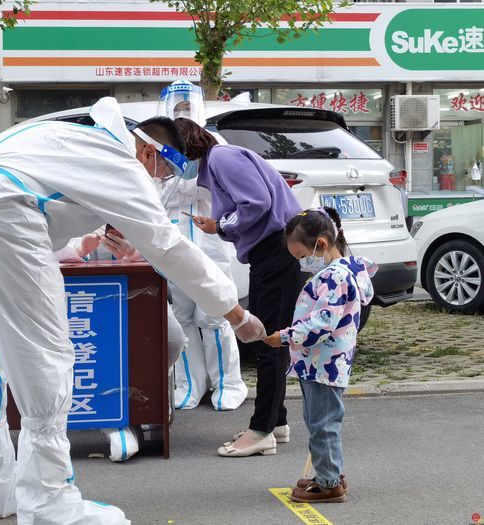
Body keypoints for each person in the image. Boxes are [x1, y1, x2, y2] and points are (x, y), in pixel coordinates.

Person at [0, 97, 266, 524]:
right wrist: (234, 312)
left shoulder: (76, 138)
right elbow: (164, 244)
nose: (162, 181)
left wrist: (77, 244)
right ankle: (48, 502)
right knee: (44, 356)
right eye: (166, 170)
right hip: (2, 211)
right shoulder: (119, 161)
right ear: (149, 151)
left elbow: (54, 207)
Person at [174, 117, 304, 458]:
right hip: (272, 251)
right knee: (268, 338)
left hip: (276, 248)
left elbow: (256, 203)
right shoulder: (218, 163)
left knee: (269, 341)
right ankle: (276, 421)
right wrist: (221, 226)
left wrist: (222, 225)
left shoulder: (221, 158)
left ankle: (261, 430)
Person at [264, 207, 377, 503]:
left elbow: (323, 321)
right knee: (321, 422)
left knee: (322, 424)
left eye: (302, 255)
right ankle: (329, 472)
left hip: (323, 365)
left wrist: (286, 337)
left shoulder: (334, 278)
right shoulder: (344, 272)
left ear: (321, 245)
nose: (302, 262)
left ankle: (329, 483)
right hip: (321, 363)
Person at [56, 226, 187, 462]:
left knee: (172, 338)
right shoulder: (67, 197)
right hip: (79, 297)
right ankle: (113, 421)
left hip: (142, 290)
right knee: (94, 346)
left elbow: (170, 251)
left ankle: (151, 398)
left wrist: (136, 253)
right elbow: (45, 247)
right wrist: (78, 249)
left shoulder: (140, 193)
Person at [156, 80, 248, 411]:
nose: (182, 110)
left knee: (214, 314)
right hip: (175, 242)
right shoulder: (161, 145)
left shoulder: (214, 144)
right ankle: (188, 384)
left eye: (186, 105)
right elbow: (156, 190)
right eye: (176, 106)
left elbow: (212, 188)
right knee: (181, 317)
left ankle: (228, 382)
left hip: (210, 243)